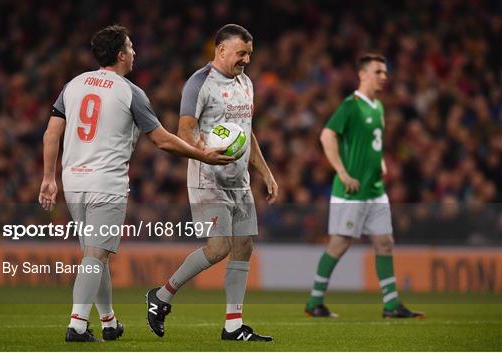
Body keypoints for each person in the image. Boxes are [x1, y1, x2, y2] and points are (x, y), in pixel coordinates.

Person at [39, 25, 233, 342]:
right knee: (95, 256)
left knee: (94, 254)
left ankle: (109, 321)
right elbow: (161, 140)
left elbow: (51, 133)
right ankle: (76, 325)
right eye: (130, 47)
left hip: (73, 182)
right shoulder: (129, 91)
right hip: (106, 184)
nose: (134, 52)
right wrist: (202, 155)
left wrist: (49, 178)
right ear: (120, 55)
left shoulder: (72, 86)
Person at [146, 24, 278, 342]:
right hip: (208, 177)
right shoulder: (199, 83)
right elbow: (185, 130)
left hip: (239, 180)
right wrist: (203, 153)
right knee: (219, 248)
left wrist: (265, 172)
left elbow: (246, 133)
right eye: (241, 53)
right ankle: (161, 296)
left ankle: (233, 325)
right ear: (221, 50)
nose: (246, 59)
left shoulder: (246, 83)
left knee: (243, 247)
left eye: (249, 53)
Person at [305, 54, 425, 319]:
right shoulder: (351, 105)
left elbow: (374, 143)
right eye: (378, 71)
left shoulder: (378, 107)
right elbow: (326, 136)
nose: (384, 76)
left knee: (385, 243)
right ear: (362, 74)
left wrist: (380, 161)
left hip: (375, 190)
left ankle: (391, 305)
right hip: (351, 191)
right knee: (339, 245)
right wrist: (342, 172)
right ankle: (314, 302)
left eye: (385, 72)